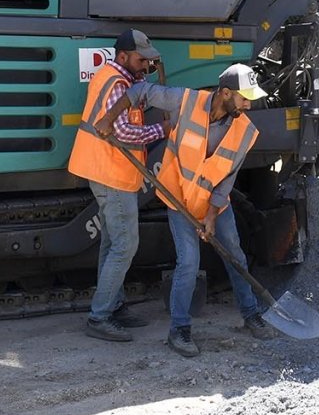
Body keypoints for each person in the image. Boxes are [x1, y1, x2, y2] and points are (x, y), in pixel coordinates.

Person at [95, 62, 276, 358]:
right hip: (178, 199)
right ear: (226, 93)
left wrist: (211, 215)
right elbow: (140, 91)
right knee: (189, 262)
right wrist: (109, 118)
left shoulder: (244, 130)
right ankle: (179, 330)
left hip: (214, 205)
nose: (249, 106)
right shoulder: (187, 101)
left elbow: (227, 179)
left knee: (235, 254)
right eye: (245, 99)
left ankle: (251, 313)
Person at [68, 29, 169, 342]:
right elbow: (122, 132)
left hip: (107, 170)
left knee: (112, 244)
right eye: (141, 60)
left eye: (148, 60)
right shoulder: (116, 83)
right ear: (123, 56)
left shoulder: (119, 77)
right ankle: (99, 317)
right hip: (111, 173)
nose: (145, 65)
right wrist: (163, 129)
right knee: (125, 245)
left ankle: (113, 305)